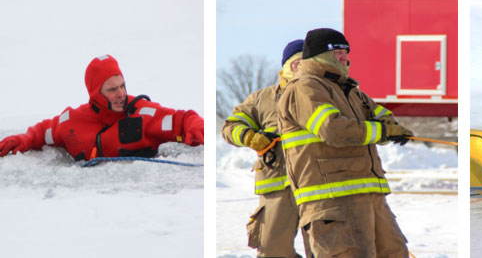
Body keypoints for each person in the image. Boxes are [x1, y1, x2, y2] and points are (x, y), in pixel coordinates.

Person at [276, 28, 412, 257]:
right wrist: (381, 131)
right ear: (318, 56)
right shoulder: (305, 87)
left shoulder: (351, 91)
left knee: (395, 252)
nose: (344, 57)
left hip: (370, 198)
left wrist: (391, 129)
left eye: (346, 52)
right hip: (331, 203)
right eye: (336, 52)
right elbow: (333, 129)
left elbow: (383, 117)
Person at [0, 55, 204, 160]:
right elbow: (44, 132)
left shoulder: (144, 114)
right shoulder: (71, 122)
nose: (121, 94)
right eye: (112, 89)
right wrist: (23, 139)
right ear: (96, 93)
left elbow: (181, 120)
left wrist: (195, 125)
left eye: (123, 86)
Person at [222, 39, 310, 258]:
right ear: (286, 66)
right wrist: (251, 137)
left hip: (316, 184)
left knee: (325, 249)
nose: (301, 68)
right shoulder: (261, 99)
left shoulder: (325, 96)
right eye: (296, 63)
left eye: (306, 63)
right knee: (272, 251)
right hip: (277, 186)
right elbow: (230, 126)